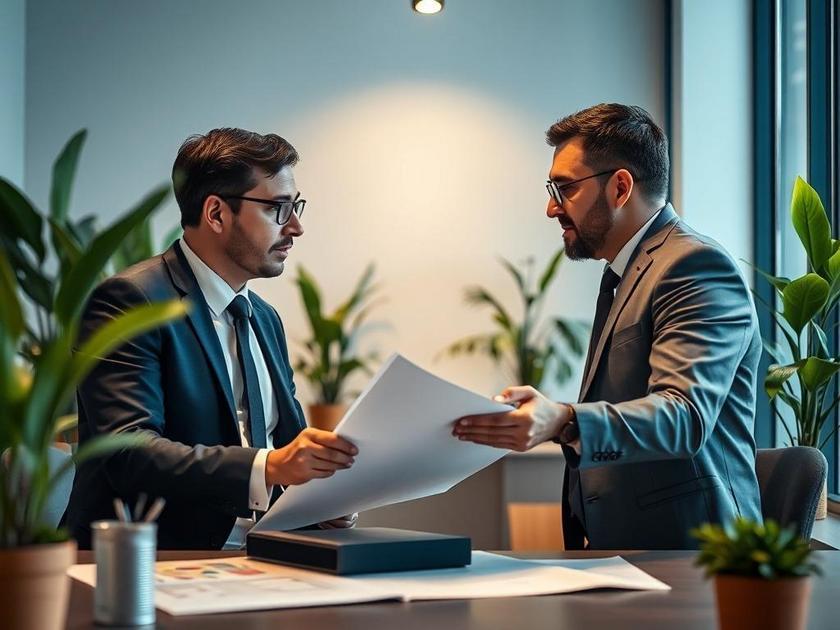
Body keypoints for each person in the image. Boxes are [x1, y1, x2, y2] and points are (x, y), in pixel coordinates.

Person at [453, 104, 762, 549]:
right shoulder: (627, 272)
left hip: (693, 560)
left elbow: (685, 416)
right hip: (633, 554)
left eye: (564, 188)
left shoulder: (694, 266)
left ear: (620, 187)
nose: (550, 208)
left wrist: (563, 419)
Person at [65, 128, 357, 549]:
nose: (295, 227)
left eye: (296, 207)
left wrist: (326, 497)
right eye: (278, 208)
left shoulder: (264, 319)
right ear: (217, 214)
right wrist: (270, 466)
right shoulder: (132, 300)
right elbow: (128, 452)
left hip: (266, 558)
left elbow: (285, 445)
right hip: (151, 562)